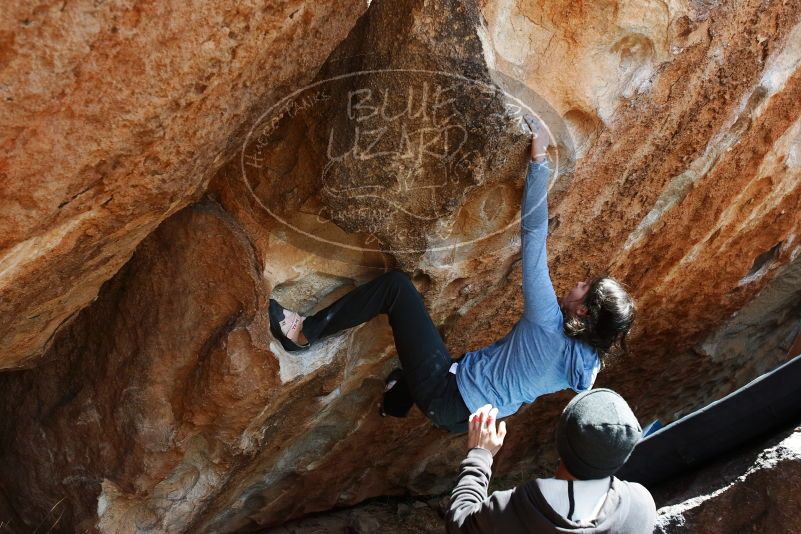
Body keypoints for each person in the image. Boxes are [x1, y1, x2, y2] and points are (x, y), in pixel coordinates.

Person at [268, 115, 635, 432]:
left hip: (447, 395)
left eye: (584, 287)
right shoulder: (588, 364)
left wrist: (539, 160)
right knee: (445, 353)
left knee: (397, 290)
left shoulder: (546, 322)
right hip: (473, 422)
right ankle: (395, 401)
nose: (576, 285)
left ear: (583, 311)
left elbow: (534, 236)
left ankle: (304, 332)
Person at [447, 390, 657, 533]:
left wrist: (479, 456)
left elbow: (460, 522)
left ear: (560, 441)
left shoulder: (513, 511)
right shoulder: (641, 507)